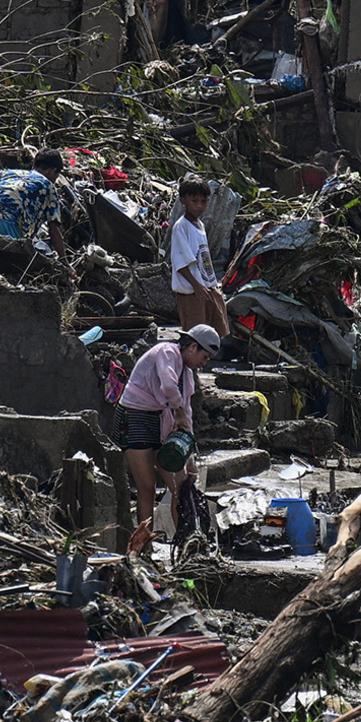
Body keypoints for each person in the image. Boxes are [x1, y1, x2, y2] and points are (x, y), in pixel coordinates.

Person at [118, 325, 219, 539]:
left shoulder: (188, 374)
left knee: (181, 486)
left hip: (160, 421)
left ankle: (187, 542)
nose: (204, 363)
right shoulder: (167, 352)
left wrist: (189, 453)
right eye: (205, 356)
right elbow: (168, 386)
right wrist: (179, 413)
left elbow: (187, 412)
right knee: (147, 487)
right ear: (192, 347)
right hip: (135, 417)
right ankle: (145, 548)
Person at [0, 150, 67, 257]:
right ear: (52, 171)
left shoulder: (11, 173)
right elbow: (53, 230)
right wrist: (65, 261)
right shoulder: (49, 187)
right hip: (7, 225)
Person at [171, 176, 229, 338]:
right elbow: (180, 263)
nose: (199, 206)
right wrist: (196, 286)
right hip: (192, 292)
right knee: (194, 337)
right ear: (183, 201)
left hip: (205, 288)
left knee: (212, 333)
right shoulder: (181, 227)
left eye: (203, 201)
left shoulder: (200, 225)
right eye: (194, 200)